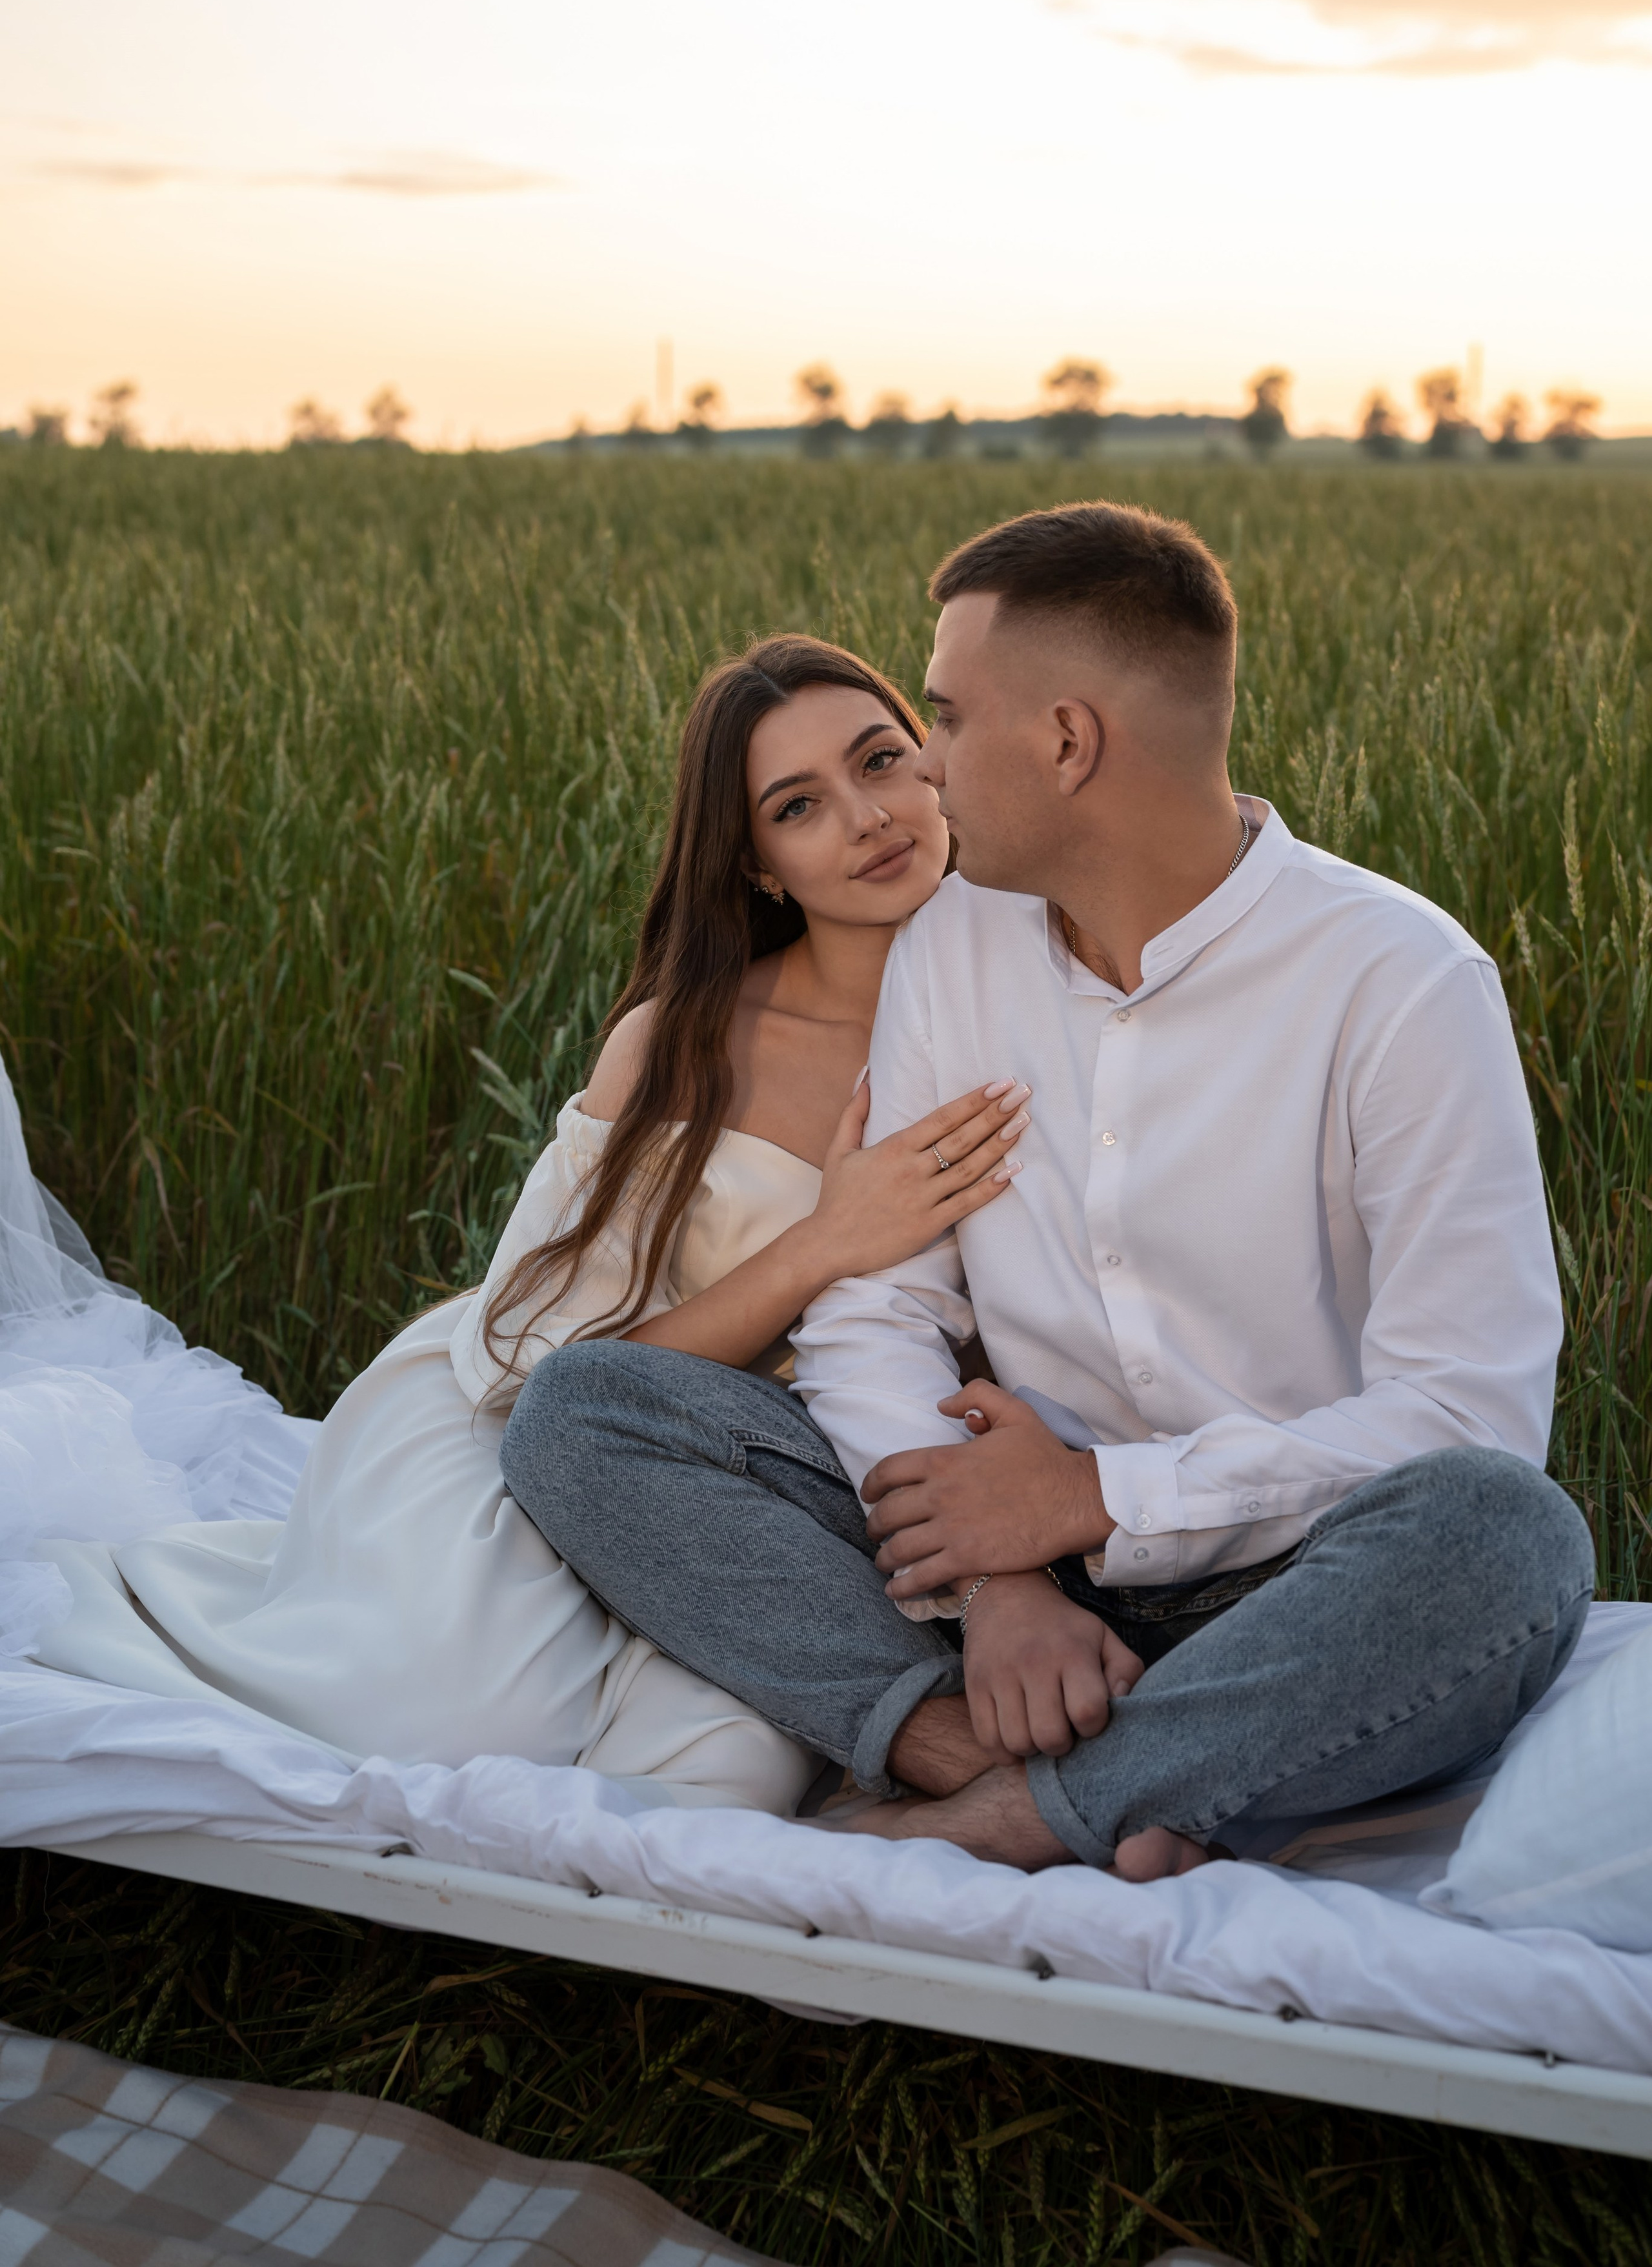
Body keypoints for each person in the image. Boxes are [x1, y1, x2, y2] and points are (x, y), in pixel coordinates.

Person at [499, 499, 1597, 1877]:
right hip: (1001, 1578)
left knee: (1504, 1537)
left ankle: (1020, 1811)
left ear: (1067, 743)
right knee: (589, 1412)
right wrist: (998, 1575)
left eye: (945, 724)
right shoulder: (953, 944)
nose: (928, 774)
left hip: (1300, 1581)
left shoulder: (1399, 985)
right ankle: (964, 1746)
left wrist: (1091, 1498)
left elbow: (1467, 1414)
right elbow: (873, 1310)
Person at [26, 634, 1076, 1811]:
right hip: (527, 1424)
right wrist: (829, 1239)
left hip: (794, 1473)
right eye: (799, 805)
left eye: (881, 760)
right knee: (478, 1716)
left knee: (736, 1751)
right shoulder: (683, 1041)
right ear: (761, 864)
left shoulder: (1040, 994)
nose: (868, 817)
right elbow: (554, 1378)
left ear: (934, 762)